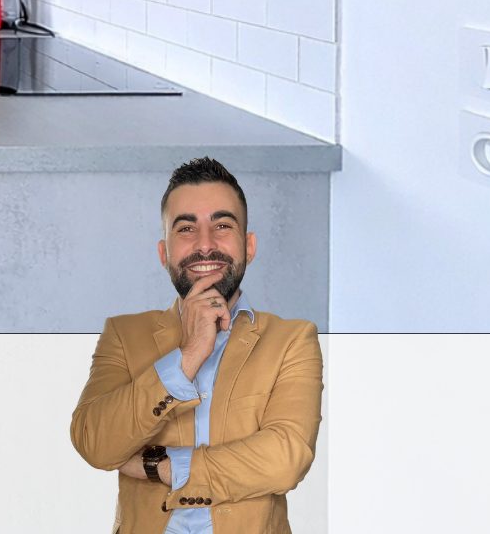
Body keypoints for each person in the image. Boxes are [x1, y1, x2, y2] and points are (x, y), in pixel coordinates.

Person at [68, 158, 323, 534]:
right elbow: (95, 443)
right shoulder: (123, 334)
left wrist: (162, 466)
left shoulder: (292, 340)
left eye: (222, 225)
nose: (205, 244)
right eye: (186, 228)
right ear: (164, 253)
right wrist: (187, 358)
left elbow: (286, 459)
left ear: (249, 246)